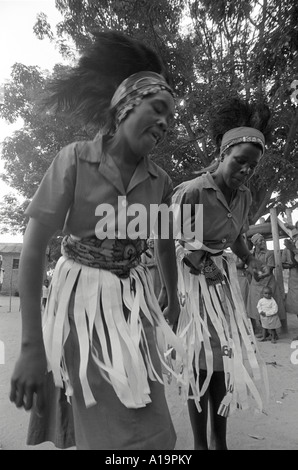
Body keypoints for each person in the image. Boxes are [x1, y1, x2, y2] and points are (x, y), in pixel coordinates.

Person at [9, 30, 183, 451]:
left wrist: (172, 296)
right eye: (157, 108)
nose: (164, 123)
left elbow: (162, 244)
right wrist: (31, 348)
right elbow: (33, 250)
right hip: (82, 311)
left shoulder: (159, 181)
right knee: (115, 436)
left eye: (170, 118)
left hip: (133, 311)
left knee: (156, 430)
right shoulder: (74, 159)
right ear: (125, 105)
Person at [166, 98, 271, 450]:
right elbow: (181, 247)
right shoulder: (193, 192)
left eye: (252, 166)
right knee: (199, 361)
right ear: (222, 154)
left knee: (225, 359)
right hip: (195, 287)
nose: (245, 170)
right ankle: (199, 444)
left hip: (218, 283)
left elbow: (237, 236)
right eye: (239, 161)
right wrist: (216, 278)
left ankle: (219, 441)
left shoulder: (243, 195)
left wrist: (249, 261)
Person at [246, 233, 286, 336]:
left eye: (263, 240)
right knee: (257, 306)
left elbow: (269, 270)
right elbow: (250, 267)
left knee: (270, 305)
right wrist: (253, 273)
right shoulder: (252, 254)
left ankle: (271, 330)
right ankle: (264, 330)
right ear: (255, 244)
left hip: (268, 283)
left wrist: (259, 276)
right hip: (256, 284)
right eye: (260, 241)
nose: (263, 242)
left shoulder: (269, 253)